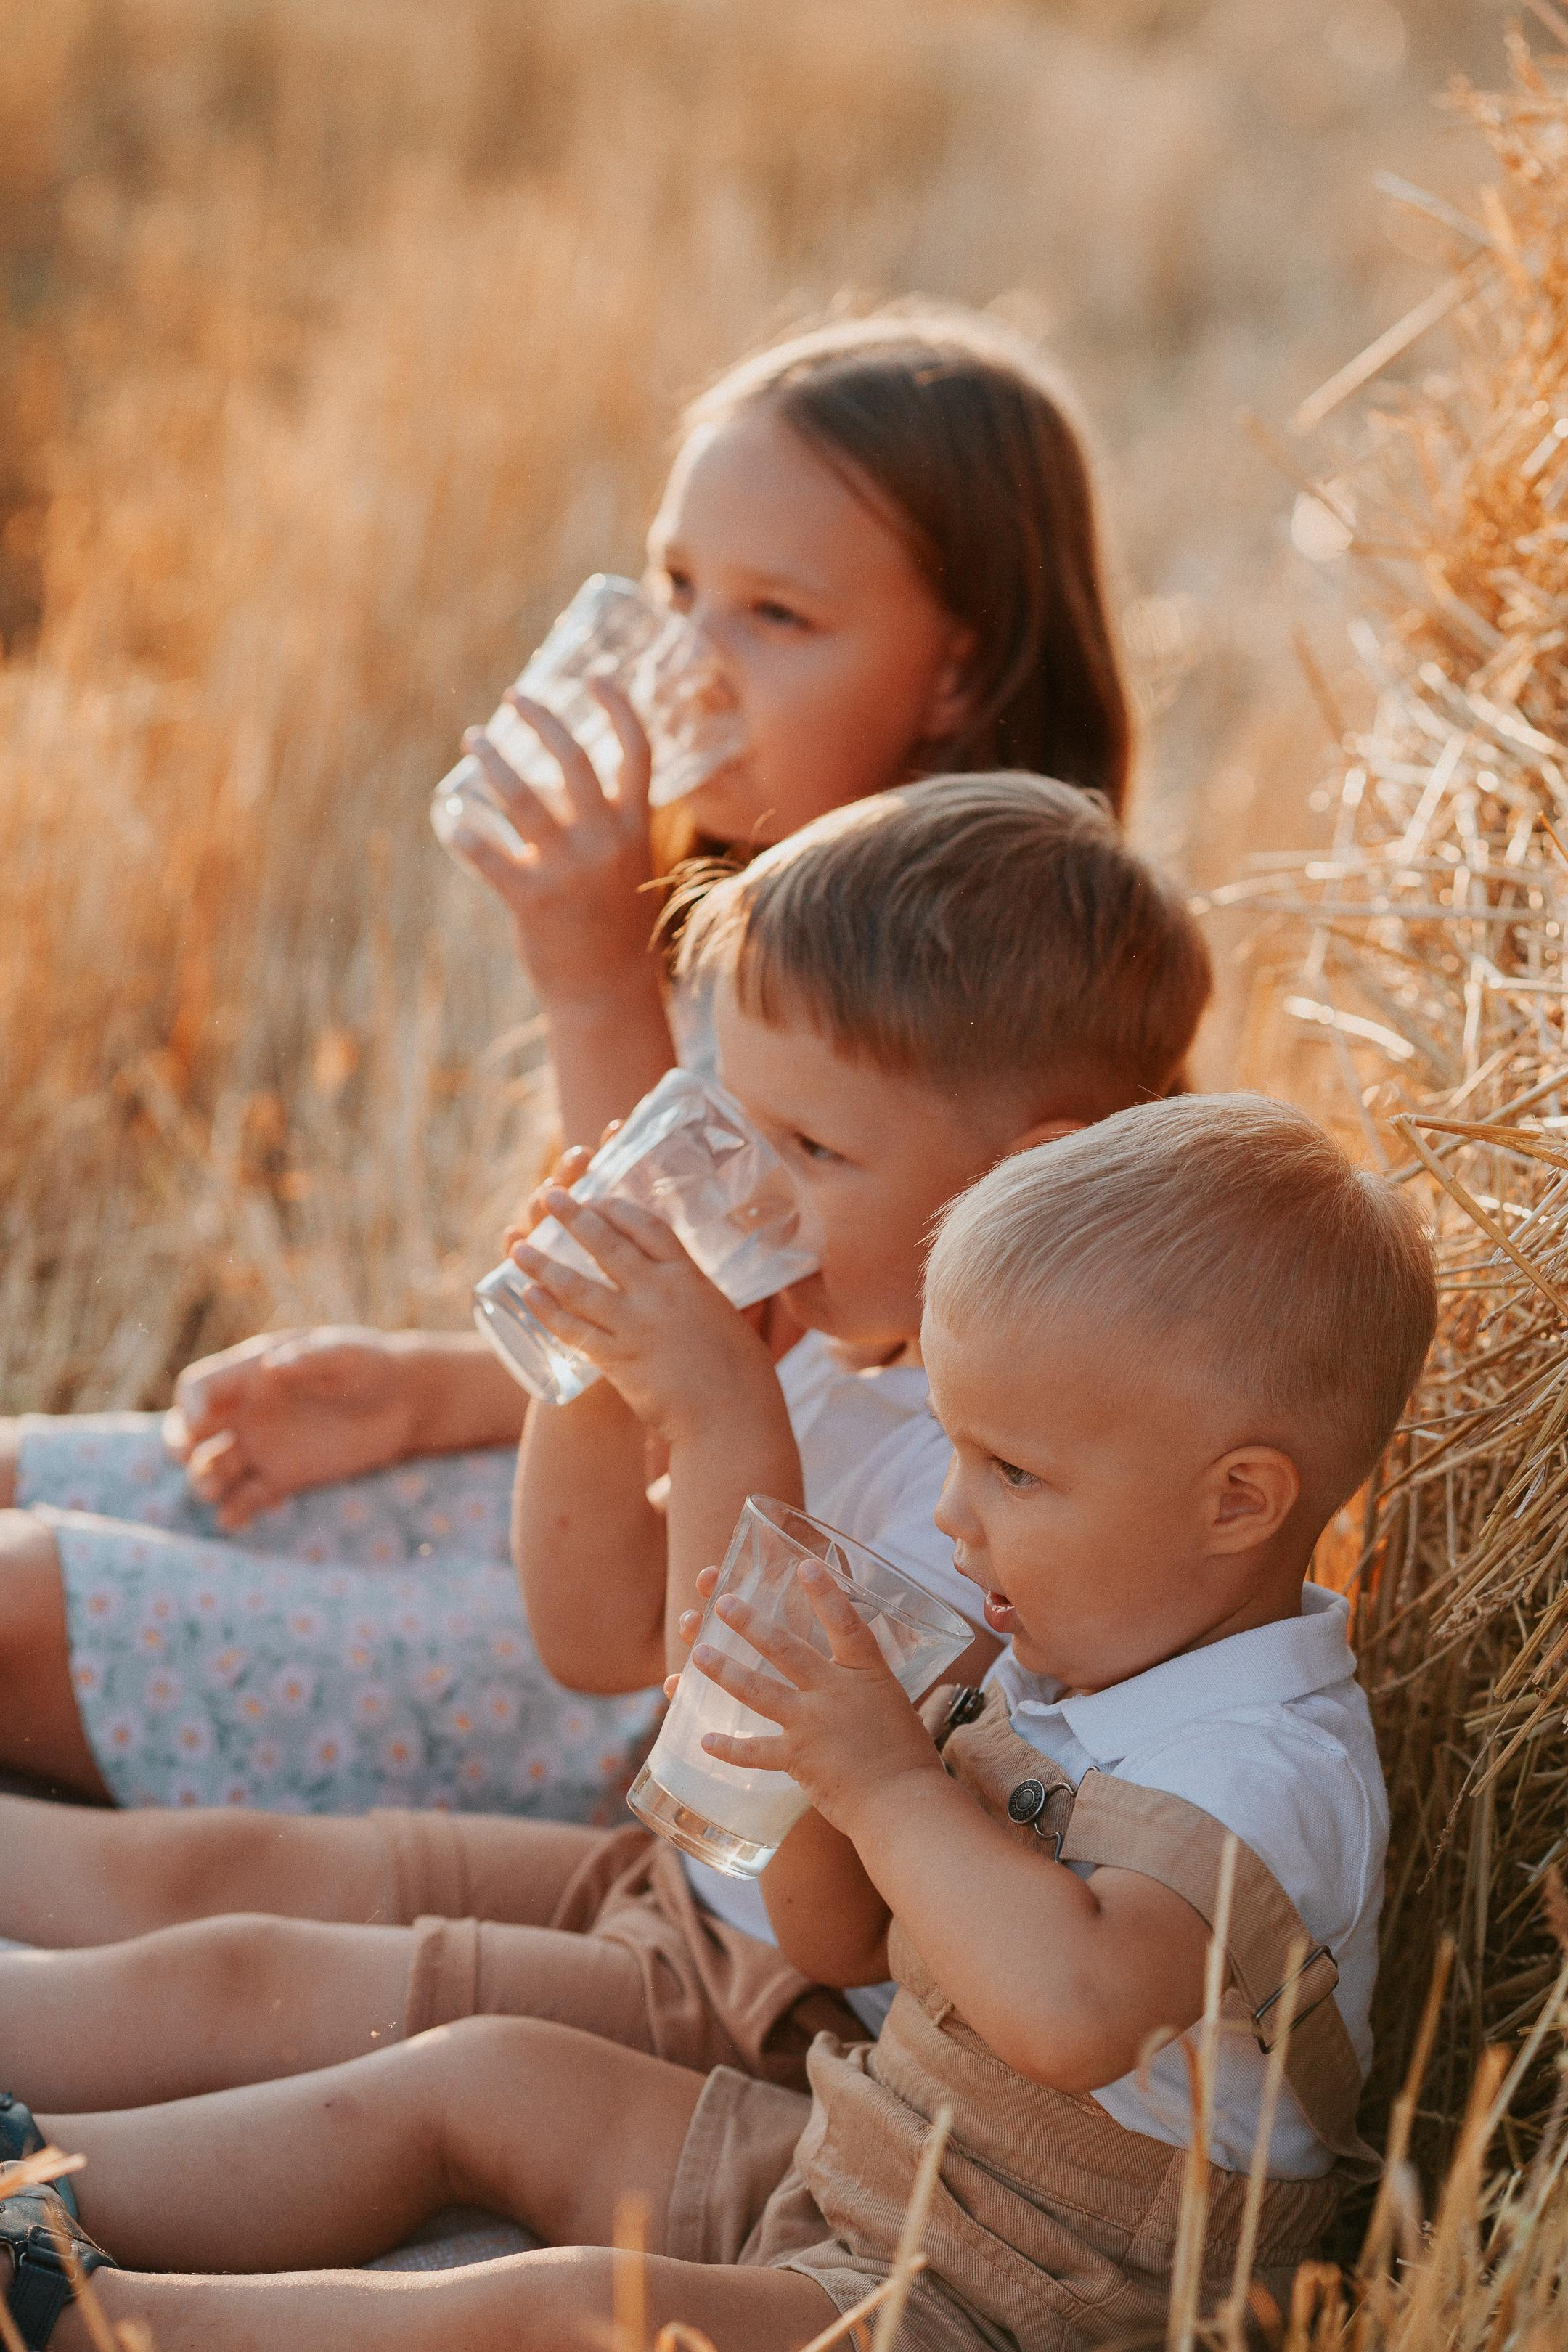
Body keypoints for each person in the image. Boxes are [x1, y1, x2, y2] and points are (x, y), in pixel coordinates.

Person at [0, 1093, 1436, 2352]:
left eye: (1008, 1472)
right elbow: (838, 1945)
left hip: (1025, 2302)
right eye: (953, 1448)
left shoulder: (1269, 1766)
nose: (951, 1513)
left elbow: (1068, 2016)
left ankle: (96, 2325)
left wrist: (880, 1778)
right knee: (485, 2074)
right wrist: (795, 1754)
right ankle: (44, 2194)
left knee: (563, 2318)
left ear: (1237, 1501)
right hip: (863, 2151)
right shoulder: (1075, 1655)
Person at [0, 303, 1135, 1818]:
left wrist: (594, 983)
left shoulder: (984, 1018)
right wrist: (425, 1393)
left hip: (673, 1649)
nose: (691, 663)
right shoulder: (745, 911)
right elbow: (692, 1334)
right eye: (678, 589)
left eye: (775, 617)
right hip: (572, 1498)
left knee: (18, 1610)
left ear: (955, 677)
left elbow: (744, 1376)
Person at [0, 775, 1211, 2110]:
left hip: (781, 1998)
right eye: (732, 1115)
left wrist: (715, 1416)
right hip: (670, 1886)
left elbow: (764, 1812)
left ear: (1029, 1174)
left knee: (257, 1981)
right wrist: (586, 1363)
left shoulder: (1004, 1478)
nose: (747, 1181)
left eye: (807, 1146)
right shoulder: (833, 1333)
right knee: (233, 1878)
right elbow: (590, 1636)